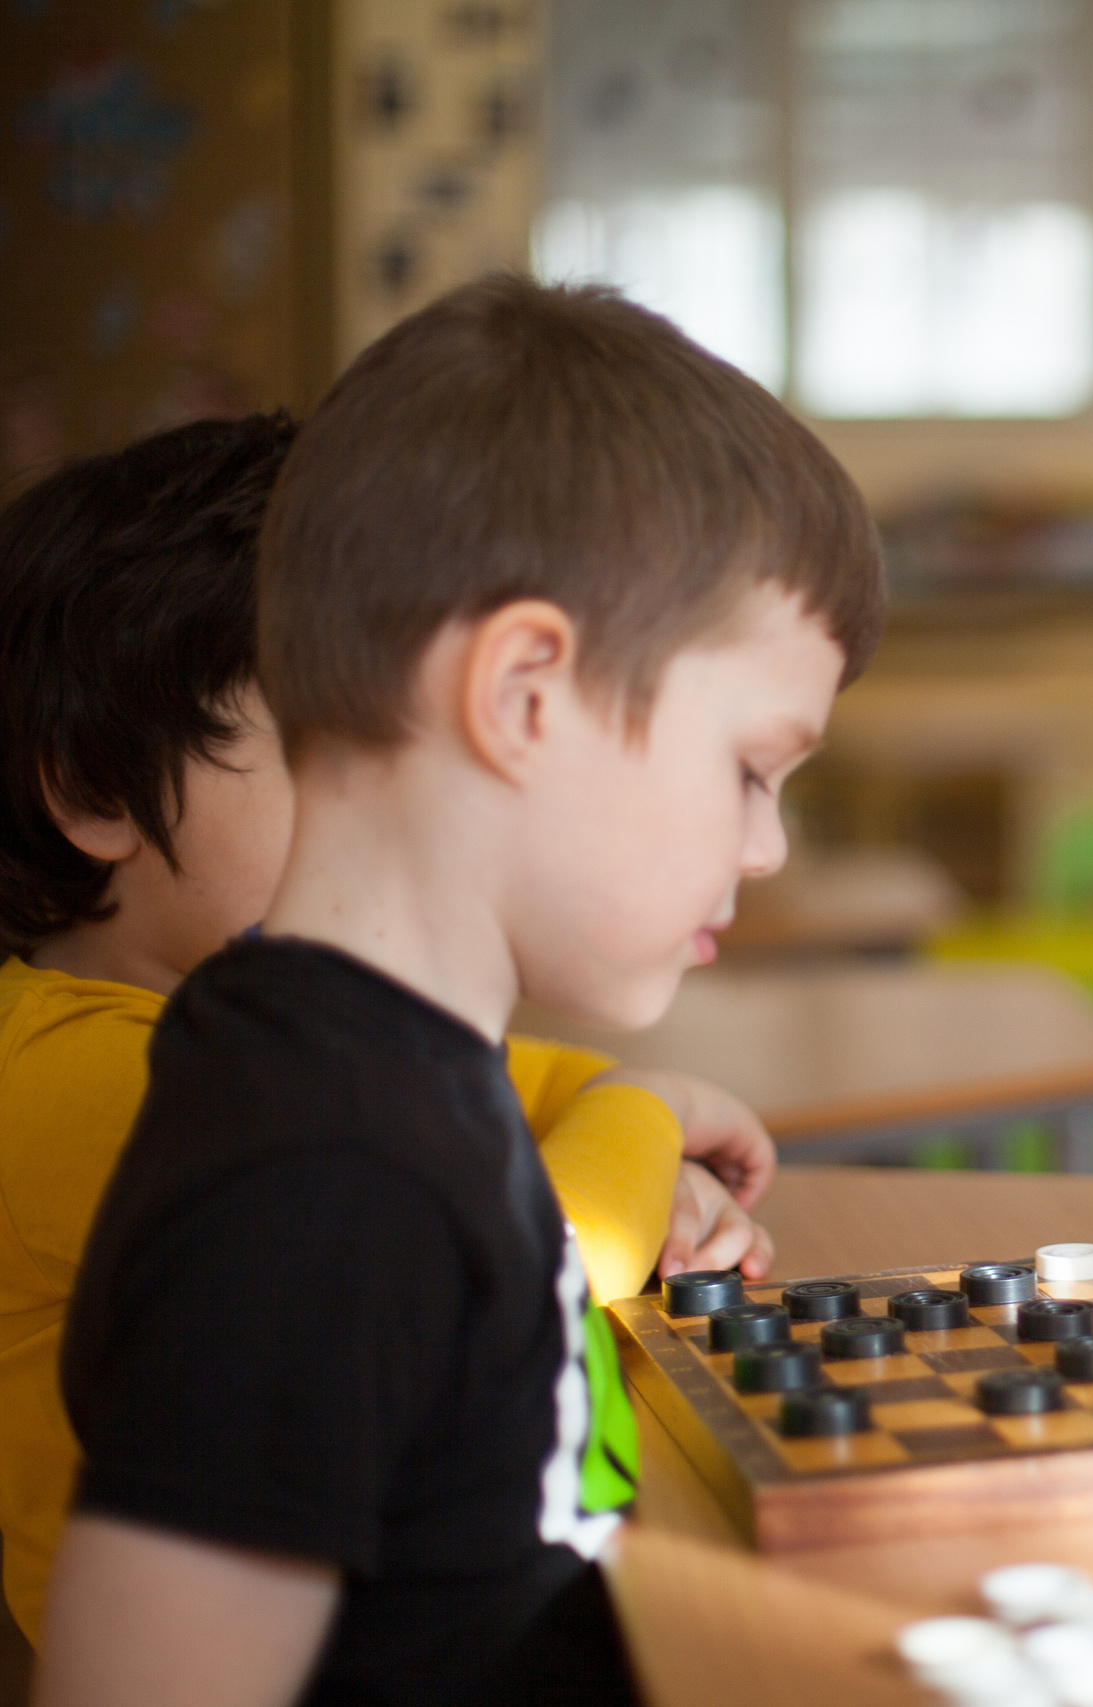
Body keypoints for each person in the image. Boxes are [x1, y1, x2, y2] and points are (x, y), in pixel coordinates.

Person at [36, 278, 881, 1705]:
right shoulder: (318, 1180)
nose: (768, 848)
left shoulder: (395, 1080)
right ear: (524, 693)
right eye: (749, 769)